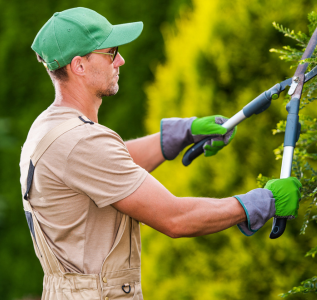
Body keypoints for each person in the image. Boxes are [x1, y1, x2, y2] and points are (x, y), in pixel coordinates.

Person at [19, 7, 302, 300]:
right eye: (111, 52)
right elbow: (176, 218)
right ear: (79, 65)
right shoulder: (81, 142)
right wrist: (261, 202)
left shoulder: (51, 128)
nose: (121, 60)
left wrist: (182, 133)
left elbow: (110, 166)